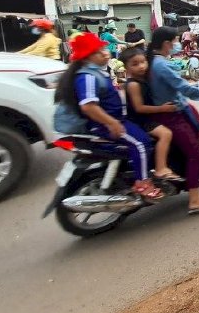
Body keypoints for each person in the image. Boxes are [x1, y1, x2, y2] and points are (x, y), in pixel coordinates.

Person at [56, 32, 163, 203]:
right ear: (87, 57)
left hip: (115, 121)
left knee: (144, 138)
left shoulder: (96, 72)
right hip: (106, 125)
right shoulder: (87, 77)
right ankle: (143, 184)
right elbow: (88, 106)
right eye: (100, 51)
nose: (106, 53)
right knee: (141, 144)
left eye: (104, 49)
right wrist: (112, 123)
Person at [147, 27, 199, 214]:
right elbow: (183, 88)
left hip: (163, 112)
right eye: (174, 41)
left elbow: (177, 84)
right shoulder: (160, 65)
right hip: (172, 114)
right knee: (195, 152)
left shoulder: (152, 61)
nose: (176, 45)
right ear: (166, 43)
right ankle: (195, 200)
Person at [120, 47, 181, 183]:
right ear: (126, 68)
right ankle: (161, 168)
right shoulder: (134, 85)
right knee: (166, 134)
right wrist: (163, 108)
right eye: (135, 64)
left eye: (143, 62)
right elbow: (139, 108)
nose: (141, 66)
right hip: (140, 120)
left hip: (146, 117)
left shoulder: (143, 79)